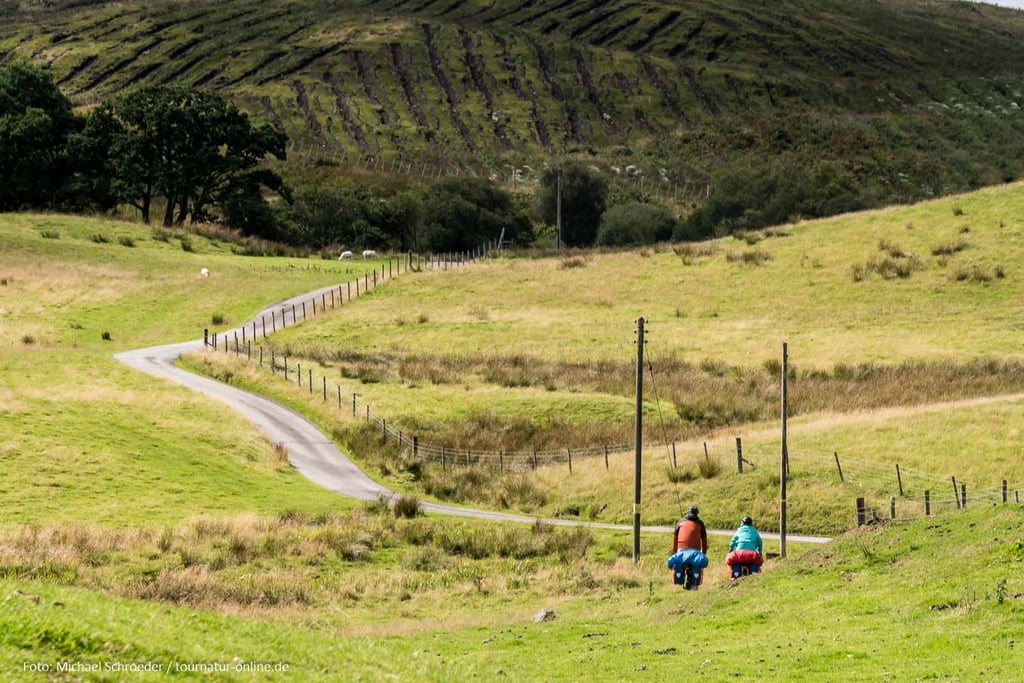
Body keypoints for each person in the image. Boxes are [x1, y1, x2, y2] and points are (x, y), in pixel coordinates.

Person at [668, 506, 709, 589]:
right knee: (697, 565)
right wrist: (703, 553)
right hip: (695, 552)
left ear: (687, 513)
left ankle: (680, 578)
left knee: (679, 564)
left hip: (681, 551)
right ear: (697, 514)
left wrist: (675, 552)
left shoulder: (680, 522)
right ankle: (695, 583)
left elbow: (675, 539)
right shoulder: (700, 523)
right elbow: (704, 540)